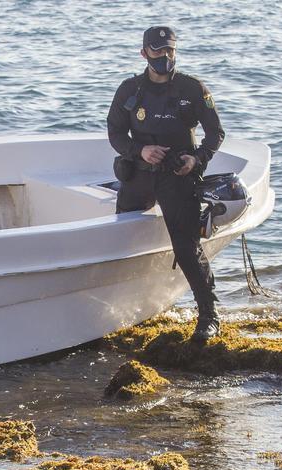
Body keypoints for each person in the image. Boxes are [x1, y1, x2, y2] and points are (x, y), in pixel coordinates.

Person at [107, 26, 226, 345]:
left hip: (177, 176)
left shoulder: (192, 88)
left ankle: (209, 315)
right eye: (158, 51)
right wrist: (138, 150)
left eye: (170, 50)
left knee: (186, 248)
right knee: (120, 240)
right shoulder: (130, 90)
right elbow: (115, 133)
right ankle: (117, 310)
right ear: (144, 53)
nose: (165, 57)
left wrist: (196, 160)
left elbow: (216, 134)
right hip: (139, 174)